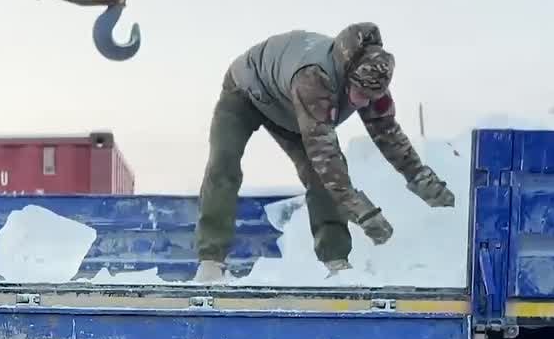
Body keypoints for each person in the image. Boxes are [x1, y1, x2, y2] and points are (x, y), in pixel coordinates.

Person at [193, 23, 456, 283]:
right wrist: (364, 213)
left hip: (295, 108)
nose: (365, 102)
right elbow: (326, 158)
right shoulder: (314, 79)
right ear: (346, 77)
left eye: (371, 96)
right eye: (361, 94)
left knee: (322, 180)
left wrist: (430, 188)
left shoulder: (373, 82)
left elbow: (390, 138)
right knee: (223, 164)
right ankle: (210, 262)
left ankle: (336, 261)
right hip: (247, 91)